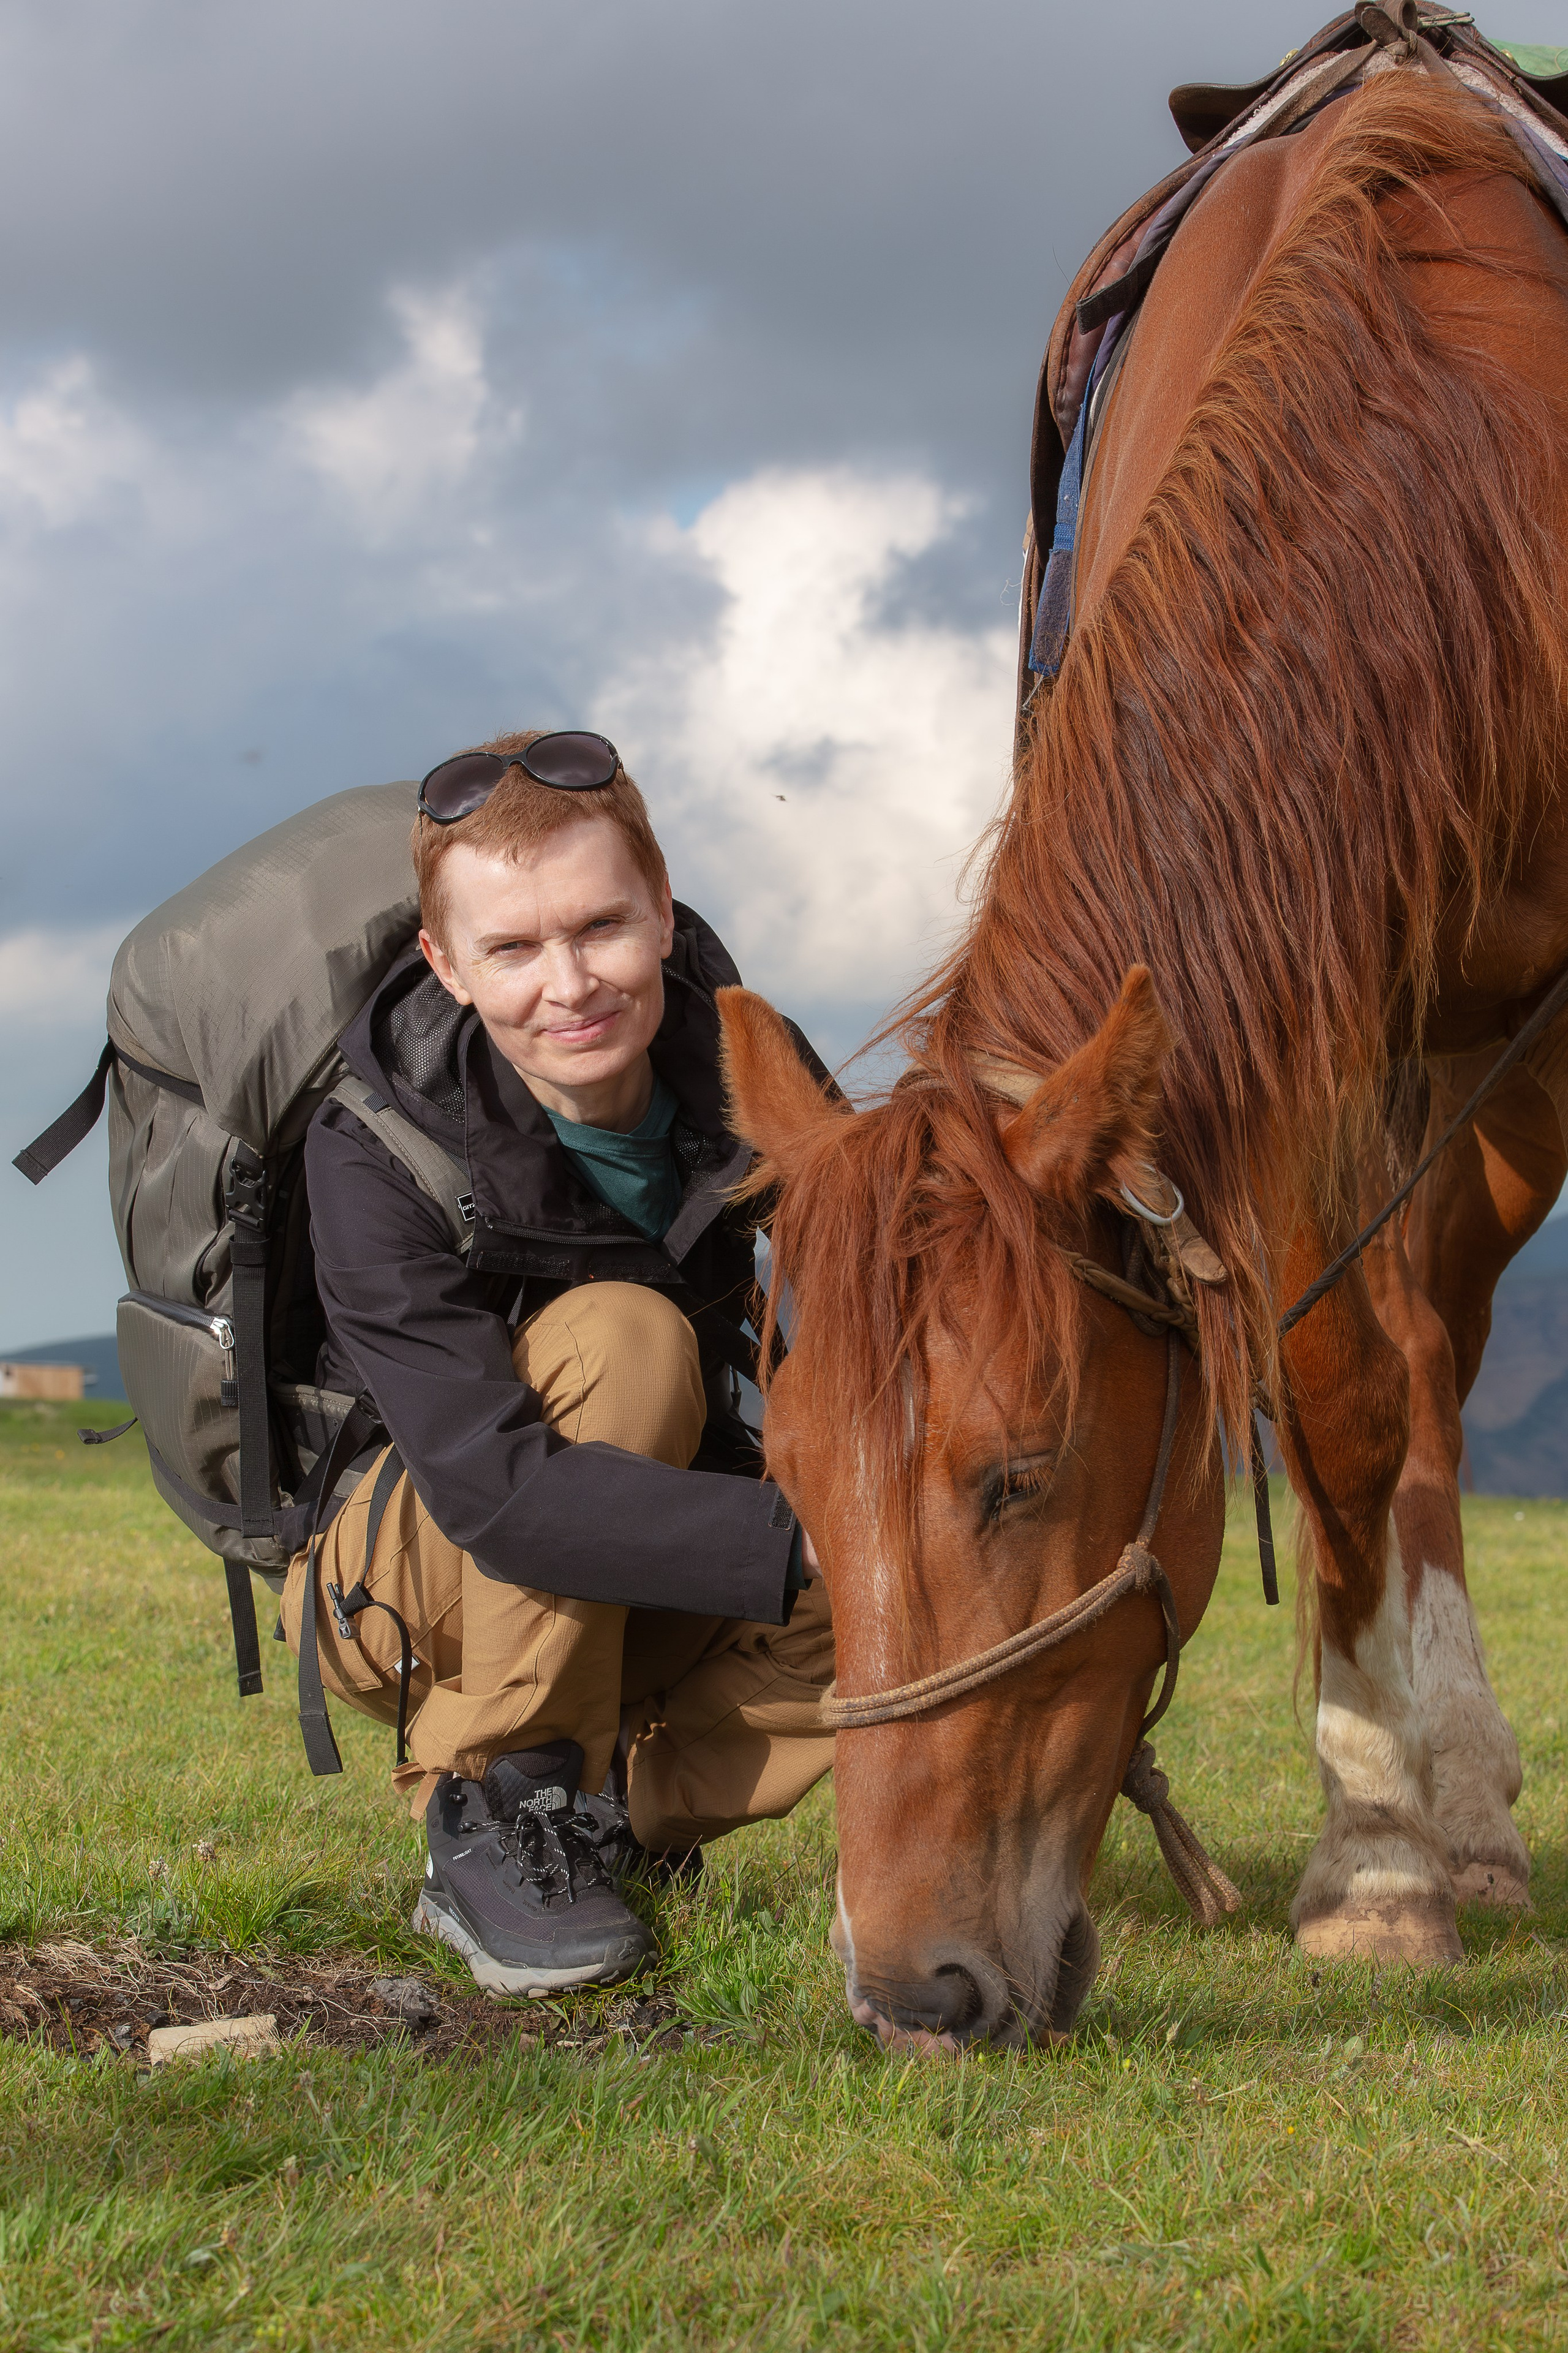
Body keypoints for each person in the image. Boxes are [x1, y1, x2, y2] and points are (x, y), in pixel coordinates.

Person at [278, 728, 835, 1996]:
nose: (569, 983)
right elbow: (499, 1491)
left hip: (655, 1556)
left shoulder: (748, 1066)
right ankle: (500, 1798)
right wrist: (805, 1539)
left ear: (662, 912)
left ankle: (608, 1822)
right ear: (446, 965)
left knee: (912, 1583)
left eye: (599, 928)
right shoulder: (372, 1145)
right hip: (407, 1584)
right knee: (623, 1336)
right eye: (513, 949)